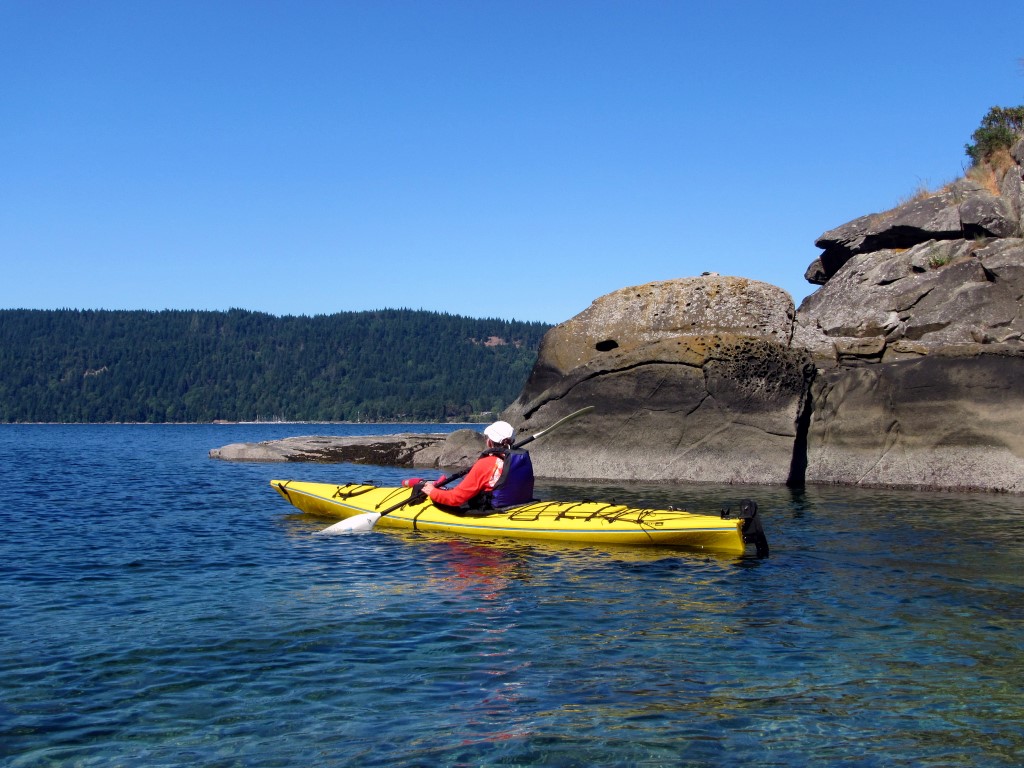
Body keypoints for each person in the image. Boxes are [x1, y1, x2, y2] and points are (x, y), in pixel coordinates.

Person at [421, 420, 535, 510]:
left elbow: (456, 499)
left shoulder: (486, 464)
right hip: (519, 503)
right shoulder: (520, 459)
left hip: (494, 509)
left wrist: (433, 492)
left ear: (489, 442)